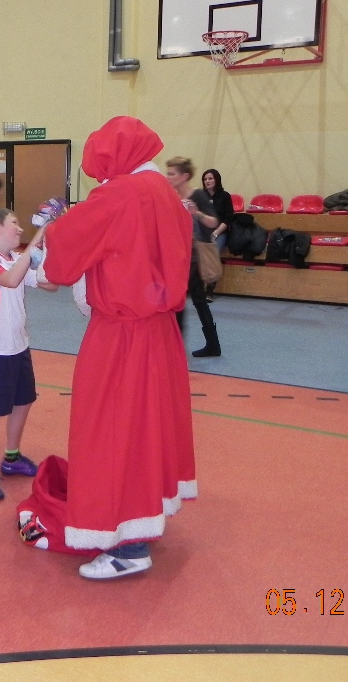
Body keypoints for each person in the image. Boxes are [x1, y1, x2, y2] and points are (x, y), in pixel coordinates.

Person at [40, 115, 196, 580]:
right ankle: (146, 517)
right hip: (160, 332)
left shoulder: (120, 194)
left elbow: (63, 256)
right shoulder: (166, 193)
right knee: (148, 429)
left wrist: (50, 231)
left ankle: (128, 545)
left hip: (121, 334)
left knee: (111, 430)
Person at [0, 207, 56, 500]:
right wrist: (39, 236)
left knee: (24, 400)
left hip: (19, 345)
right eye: (14, 223)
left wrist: (49, 247)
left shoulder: (15, 259)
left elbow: (50, 285)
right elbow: (9, 280)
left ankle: (11, 456)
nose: (20, 229)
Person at [166, 157, 222, 357]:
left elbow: (214, 222)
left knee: (183, 299)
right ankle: (210, 344)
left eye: (172, 173)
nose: (168, 177)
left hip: (195, 257)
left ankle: (177, 347)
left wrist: (196, 213)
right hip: (179, 256)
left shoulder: (197, 195)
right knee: (193, 300)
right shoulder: (171, 197)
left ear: (184, 176)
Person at [200, 168, 235, 302]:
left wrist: (215, 233)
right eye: (205, 179)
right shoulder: (200, 196)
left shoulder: (224, 196)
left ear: (217, 180)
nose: (207, 181)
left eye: (210, 178)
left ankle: (209, 289)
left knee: (212, 252)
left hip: (219, 232)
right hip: (203, 232)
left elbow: (228, 218)